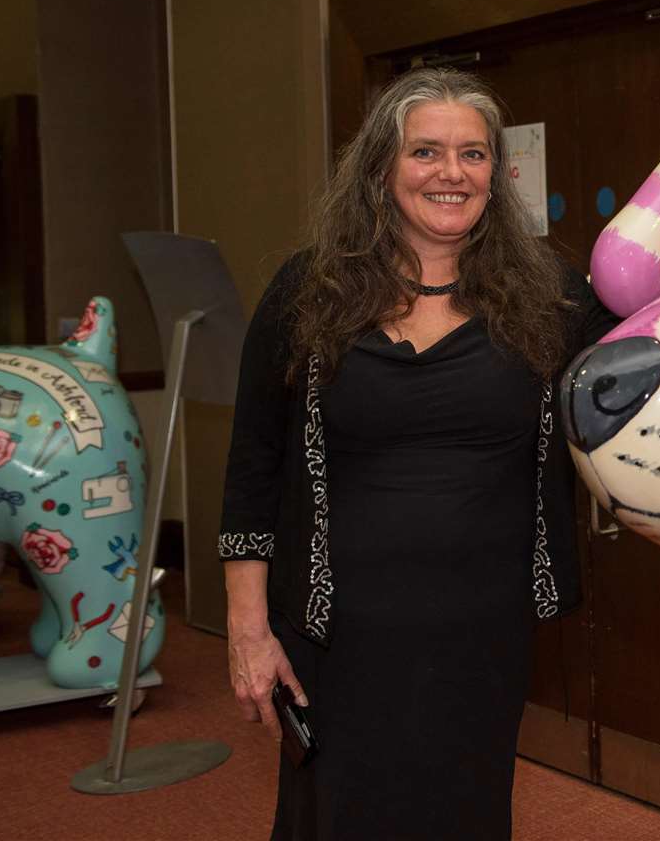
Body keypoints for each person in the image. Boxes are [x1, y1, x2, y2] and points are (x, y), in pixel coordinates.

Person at [220, 67, 616, 840]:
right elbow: (252, 465)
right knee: (336, 816)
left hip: (482, 628)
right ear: (381, 167)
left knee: (463, 810)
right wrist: (247, 628)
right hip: (337, 632)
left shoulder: (548, 292)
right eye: (426, 152)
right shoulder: (308, 291)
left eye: (473, 155)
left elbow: (650, 353)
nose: (451, 173)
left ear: (496, 175)